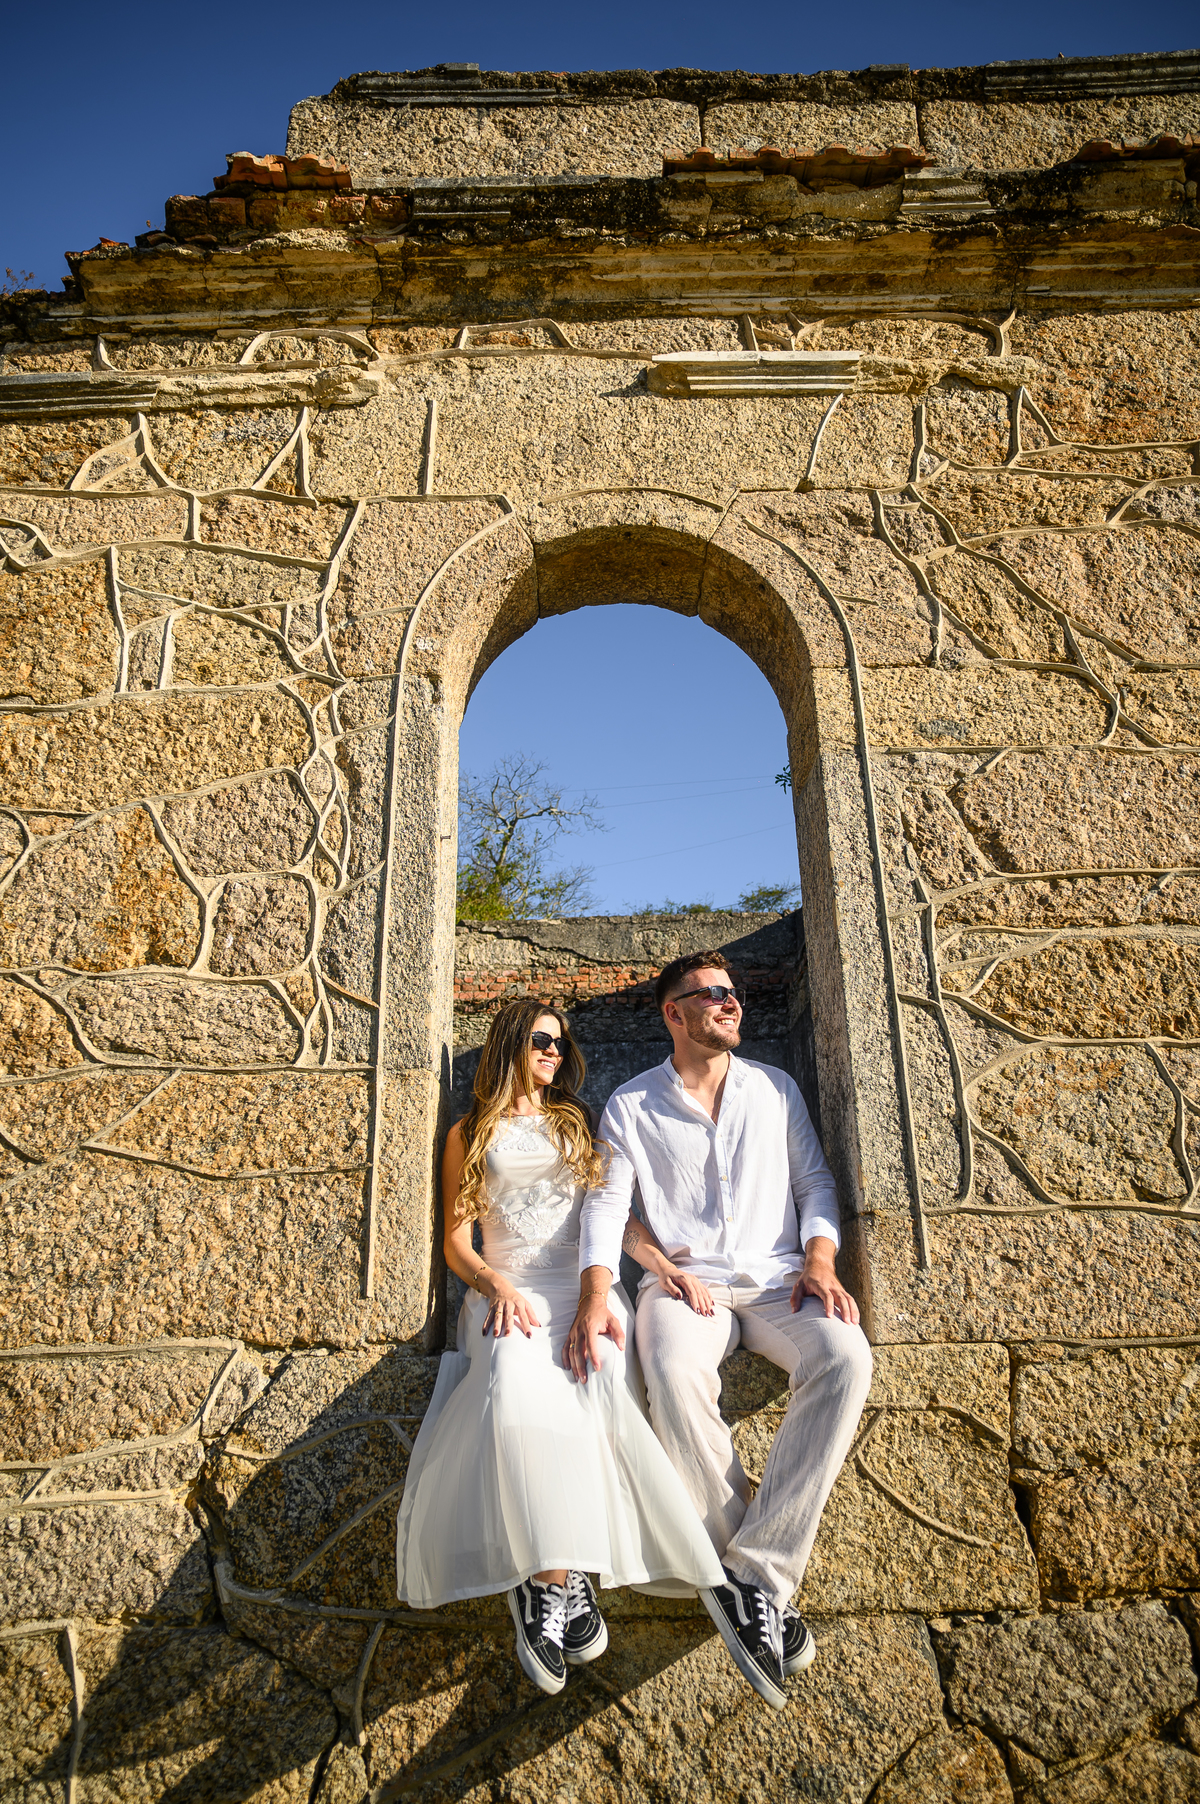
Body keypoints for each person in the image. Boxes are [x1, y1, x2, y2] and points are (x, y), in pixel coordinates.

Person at [565, 950, 873, 1711]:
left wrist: (822, 1260)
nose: (730, 1004)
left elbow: (814, 1183)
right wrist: (599, 1291)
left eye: (733, 993)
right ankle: (756, 1583)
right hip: (685, 1285)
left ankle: (754, 1575)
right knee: (667, 1370)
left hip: (777, 1282)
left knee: (845, 1358)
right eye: (711, 995)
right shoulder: (633, 1106)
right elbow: (606, 1207)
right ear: (673, 1013)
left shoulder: (775, 1089)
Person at [395, 997, 724, 1698]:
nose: (552, 1052)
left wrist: (661, 1265)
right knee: (513, 1397)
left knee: (598, 1385)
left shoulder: (577, 1124)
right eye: (541, 1040)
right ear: (510, 1042)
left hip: (581, 1293)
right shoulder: (468, 1133)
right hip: (507, 1291)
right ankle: (551, 1583)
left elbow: (614, 1219)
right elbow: (457, 1242)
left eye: (559, 1044)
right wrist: (492, 1284)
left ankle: (554, 1584)